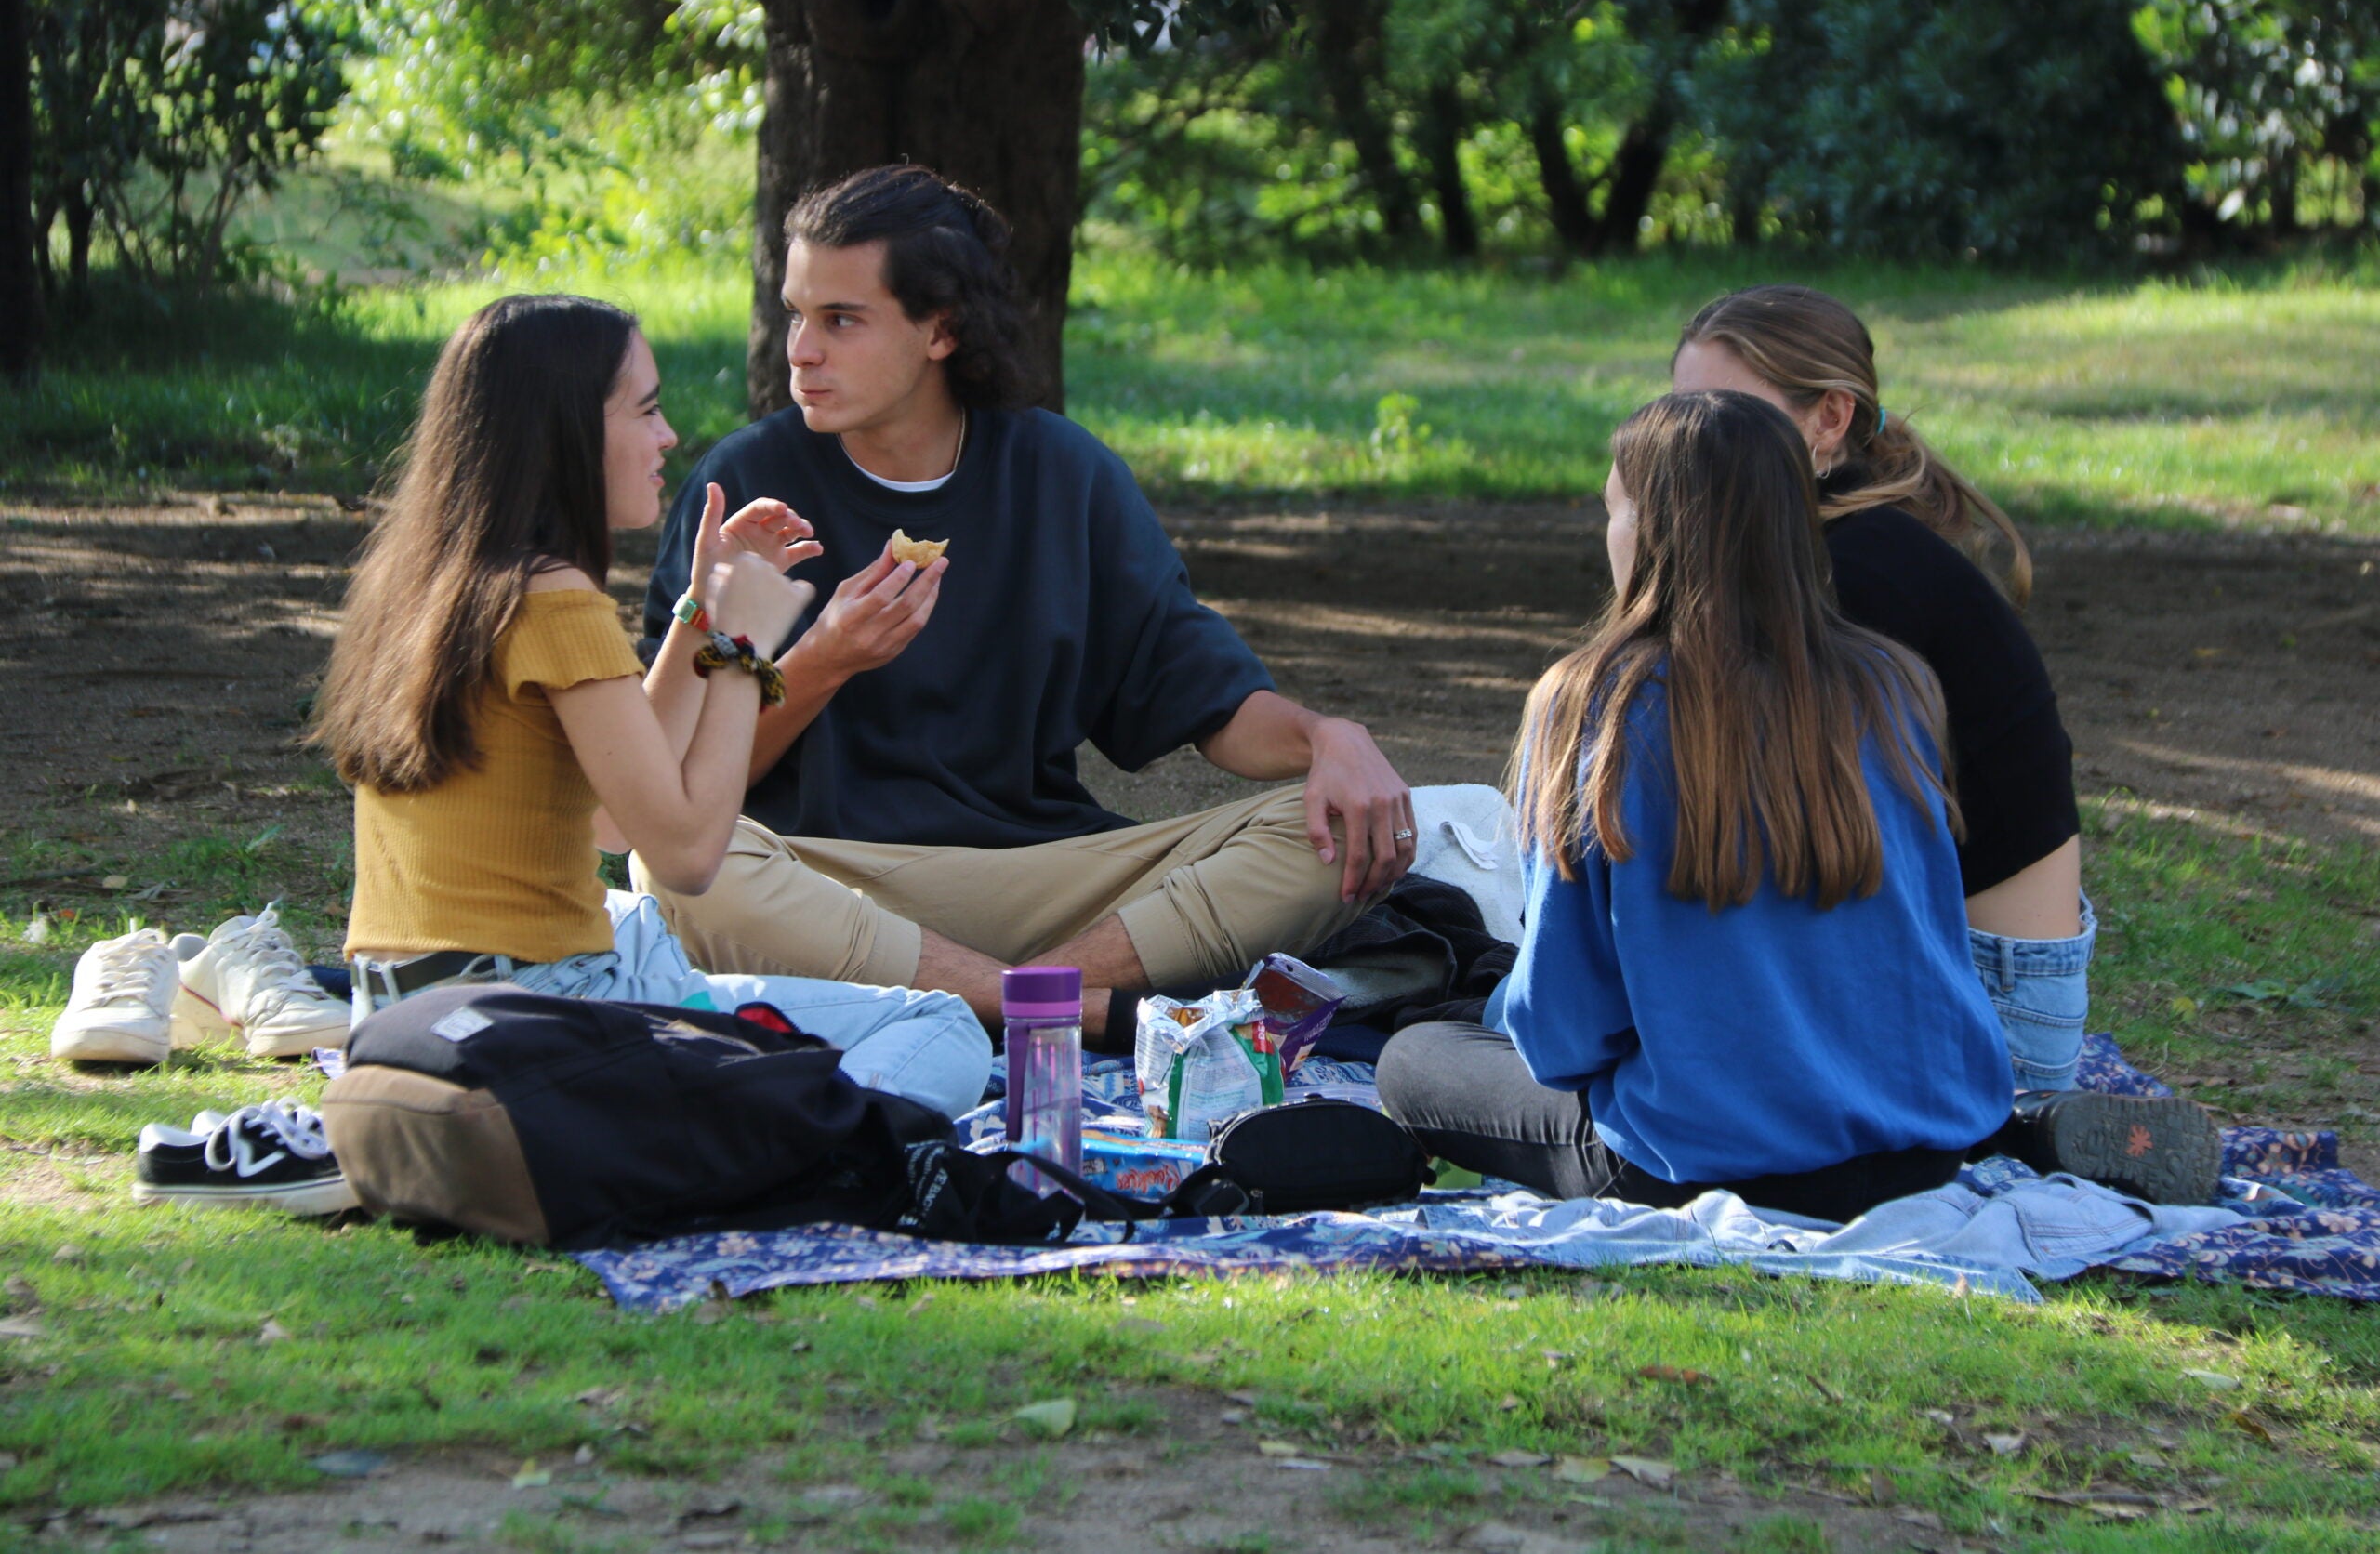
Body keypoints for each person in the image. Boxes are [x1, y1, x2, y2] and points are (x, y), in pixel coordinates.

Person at [635, 165, 1414, 1046]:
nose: (800, 351)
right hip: (824, 877)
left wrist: (1329, 737)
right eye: (795, 314)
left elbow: (1211, 701)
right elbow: (679, 795)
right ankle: (1050, 1008)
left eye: (840, 320)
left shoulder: (1060, 474)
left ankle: (1003, 992)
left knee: (1335, 831)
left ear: (942, 328)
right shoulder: (745, 487)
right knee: (677, 871)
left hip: (1045, 876)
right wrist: (823, 662)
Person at [310, 294, 990, 1121]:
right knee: (943, 1028)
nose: (669, 437)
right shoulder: (555, 598)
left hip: (404, 1019)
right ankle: (795, 1147)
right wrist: (743, 650)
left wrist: (701, 608)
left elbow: (609, 824)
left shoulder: (424, 584)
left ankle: (740, 1113)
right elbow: (687, 857)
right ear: (567, 431)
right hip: (537, 1014)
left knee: (641, 930)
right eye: (647, 409)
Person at [1376, 391, 2014, 1224]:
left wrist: (1504, 1008)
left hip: (1696, 1159)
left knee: (1415, 1057)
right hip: (1925, 1153)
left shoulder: (1595, 701)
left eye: (1613, 510)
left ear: (1648, 529)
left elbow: (1566, 1036)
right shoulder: (1896, 687)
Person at [1671, 283, 2218, 1203]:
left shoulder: (1846, 573)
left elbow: (1774, 843)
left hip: (1976, 1004)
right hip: (2006, 994)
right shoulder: (1849, 546)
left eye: (1717, 414)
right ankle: (2014, 1126)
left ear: (1827, 420)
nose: (1689, 445)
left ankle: (1992, 1125)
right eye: (1675, 413)